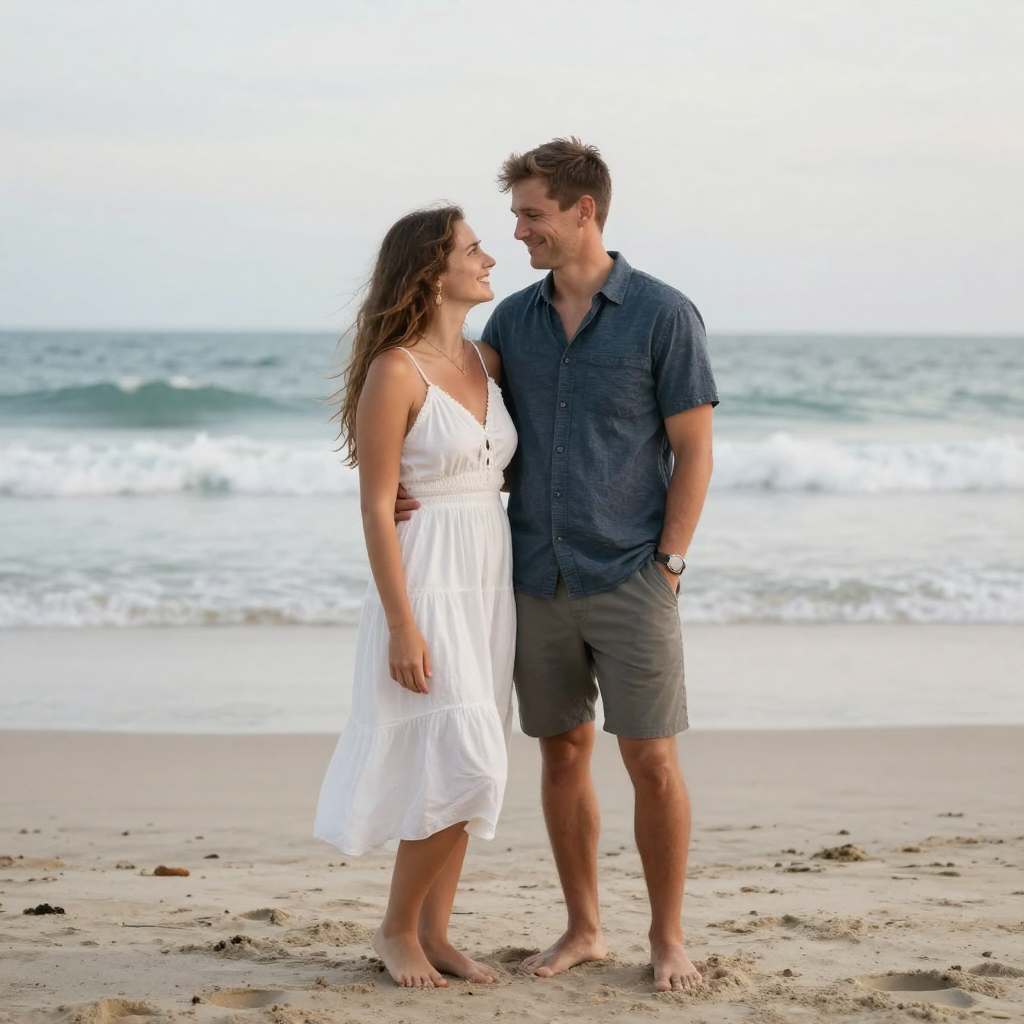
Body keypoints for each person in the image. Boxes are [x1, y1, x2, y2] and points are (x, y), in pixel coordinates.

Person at [399, 139, 717, 992]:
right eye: (514, 215)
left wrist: (672, 562)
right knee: (562, 753)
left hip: (631, 574)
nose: (518, 230)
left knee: (652, 760)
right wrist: (404, 482)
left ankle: (668, 936)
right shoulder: (512, 322)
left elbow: (694, 451)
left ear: (584, 211)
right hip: (534, 576)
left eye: (532, 213)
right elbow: (449, 406)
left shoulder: (664, 314)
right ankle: (583, 927)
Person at [315, 206, 517, 989]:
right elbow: (374, 505)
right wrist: (401, 622)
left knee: (467, 757)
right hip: (427, 575)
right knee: (467, 750)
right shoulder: (396, 370)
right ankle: (396, 928)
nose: (489, 258)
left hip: (489, 576)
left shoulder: (487, 360)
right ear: (433, 270)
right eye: (473, 248)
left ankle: (437, 932)